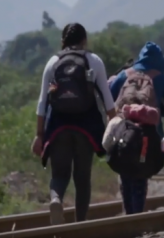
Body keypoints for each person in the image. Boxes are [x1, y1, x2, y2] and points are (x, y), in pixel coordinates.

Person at [31, 23, 117, 225]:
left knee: (59, 174)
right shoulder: (93, 61)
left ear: (63, 41)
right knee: (82, 178)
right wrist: (114, 126)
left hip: (58, 128)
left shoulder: (53, 62)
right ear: (84, 40)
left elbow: (43, 102)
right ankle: (80, 223)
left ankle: (55, 200)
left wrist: (39, 135)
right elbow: (108, 100)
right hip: (86, 128)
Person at [110, 41, 164, 215]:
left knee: (125, 173)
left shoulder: (124, 74)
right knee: (141, 173)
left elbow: (109, 99)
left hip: (123, 132)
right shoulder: (160, 77)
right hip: (148, 136)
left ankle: (128, 212)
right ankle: (137, 216)